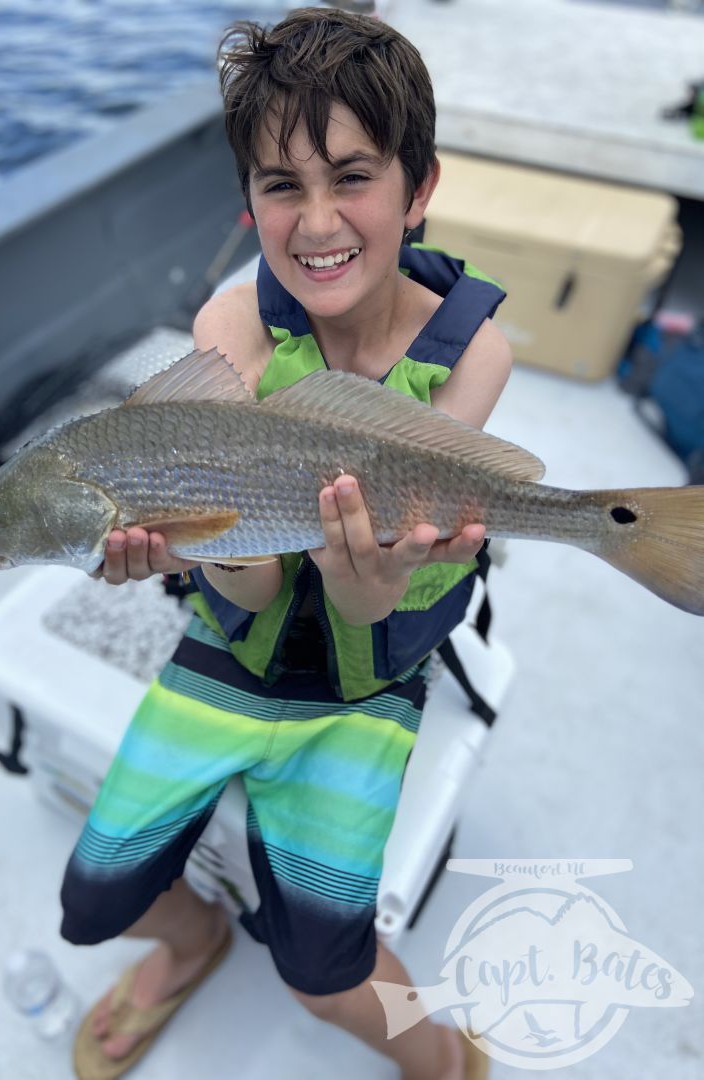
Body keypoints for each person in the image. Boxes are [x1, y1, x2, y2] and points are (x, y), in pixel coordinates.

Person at [60, 8, 512, 1080]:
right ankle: (195, 937)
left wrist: (366, 593)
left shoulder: (471, 353)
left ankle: (440, 1055)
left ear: (420, 186)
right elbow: (254, 591)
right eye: (281, 186)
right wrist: (188, 542)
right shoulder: (232, 328)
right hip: (233, 648)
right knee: (96, 895)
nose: (316, 221)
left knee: (326, 971)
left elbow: (377, 605)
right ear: (248, 202)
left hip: (370, 674)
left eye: (351, 176)